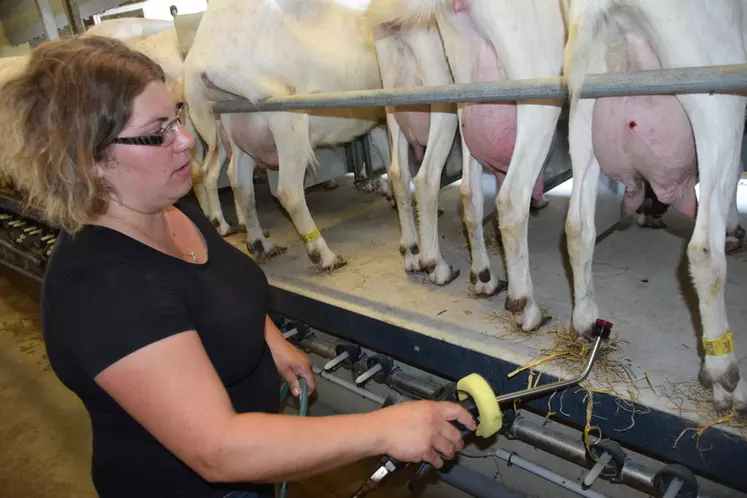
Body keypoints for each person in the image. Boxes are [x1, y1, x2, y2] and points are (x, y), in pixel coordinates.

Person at [0, 36, 476, 498]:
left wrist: (266, 337)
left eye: (179, 117)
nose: (186, 140)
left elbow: (209, 280)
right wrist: (384, 429)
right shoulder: (102, 289)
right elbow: (219, 449)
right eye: (159, 130)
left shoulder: (164, 207)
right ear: (89, 159)